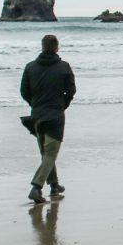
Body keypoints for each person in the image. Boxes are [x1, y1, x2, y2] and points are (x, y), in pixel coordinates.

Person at [21, 34, 76, 203]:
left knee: (46, 154)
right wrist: (61, 105)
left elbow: (24, 91)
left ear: (42, 46)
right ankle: (36, 188)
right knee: (50, 155)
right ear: (56, 47)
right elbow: (71, 91)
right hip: (55, 117)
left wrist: (35, 104)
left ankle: (54, 185)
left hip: (36, 116)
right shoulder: (64, 67)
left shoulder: (30, 67)